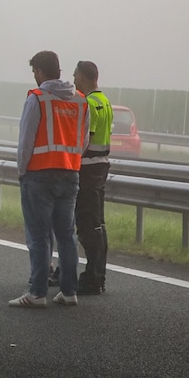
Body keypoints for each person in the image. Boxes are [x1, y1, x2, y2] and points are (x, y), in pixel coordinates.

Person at [9, 50, 89, 308]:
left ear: (41, 72)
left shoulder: (38, 98)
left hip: (39, 175)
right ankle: (69, 291)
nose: (34, 76)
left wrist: (22, 170)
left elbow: (26, 141)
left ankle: (37, 292)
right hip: (70, 174)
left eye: (35, 72)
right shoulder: (80, 100)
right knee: (66, 235)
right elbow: (84, 140)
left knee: (39, 237)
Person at [74, 60, 112, 295]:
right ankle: (99, 274)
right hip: (102, 166)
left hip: (87, 168)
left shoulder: (88, 103)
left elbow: (84, 139)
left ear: (85, 77)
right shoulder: (105, 101)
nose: (74, 80)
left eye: (76, 76)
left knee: (87, 224)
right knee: (98, 224)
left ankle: (92, 276)